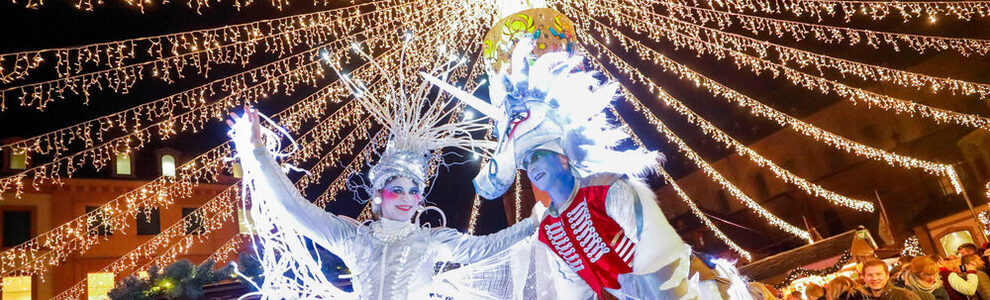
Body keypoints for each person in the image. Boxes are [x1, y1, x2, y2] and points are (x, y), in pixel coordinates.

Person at [227, 54, 540, 299]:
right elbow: (294, 207)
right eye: (398, 190)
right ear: (379, 195)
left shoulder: (431, 241)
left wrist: (534, 222)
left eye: (413, 191)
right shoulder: (352, 239)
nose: (407, 198)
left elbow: (486, 247)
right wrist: (257, 152)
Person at [427, 40, 706, 299]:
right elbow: (573, 287)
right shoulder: (549, 227)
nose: (531, 167)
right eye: (526, 163)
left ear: (563, 158)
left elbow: (660, 250)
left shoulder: (608, 189)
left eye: (537, 156)